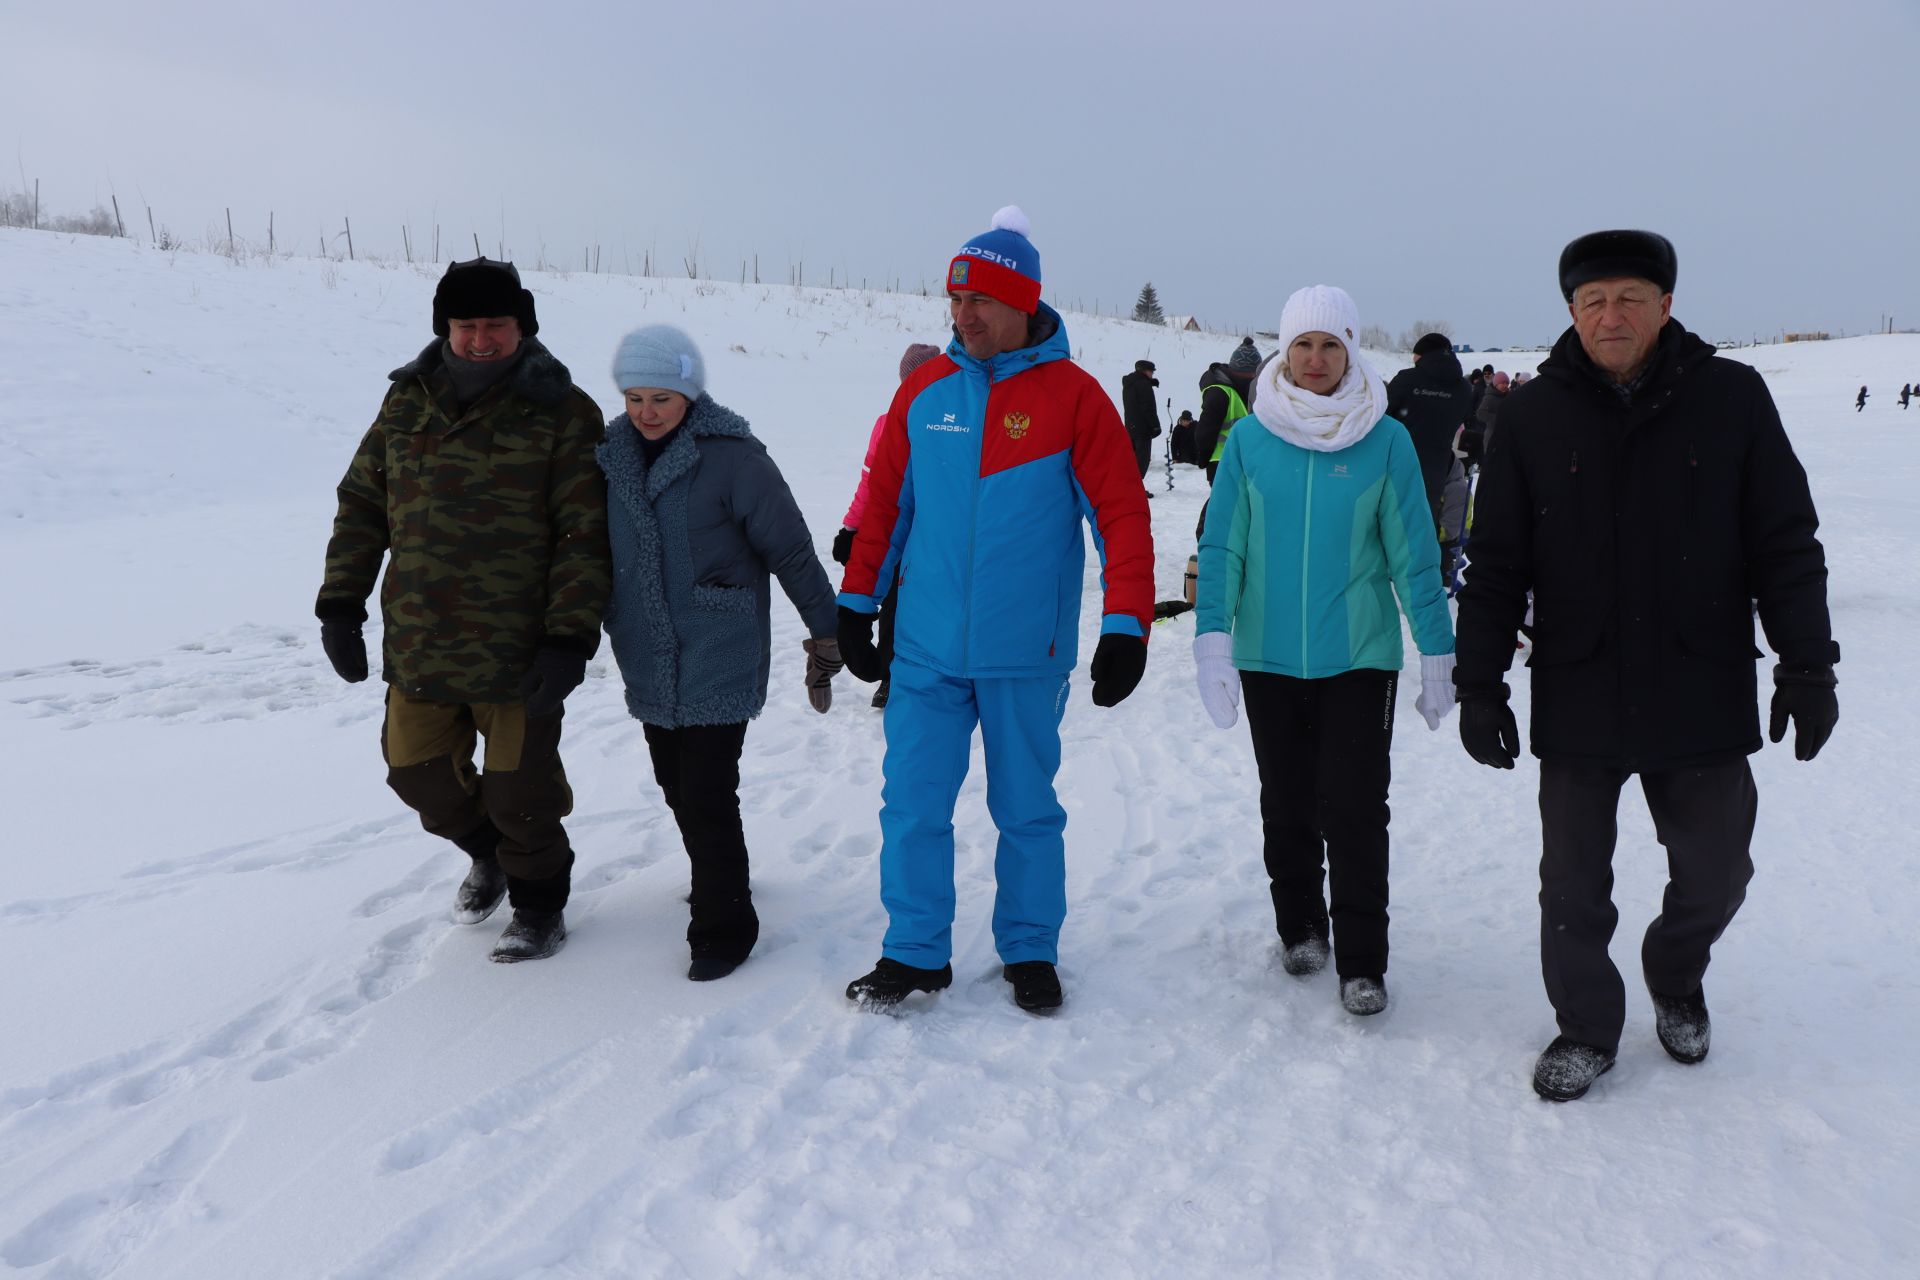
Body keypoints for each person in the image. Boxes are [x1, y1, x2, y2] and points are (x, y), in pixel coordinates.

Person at [1453, 230, 1839, 1102]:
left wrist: (1807, 664)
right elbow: (1498, 559)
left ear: (1666, 305)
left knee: (1717, 870)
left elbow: (1784, 543)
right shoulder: (1531, 416)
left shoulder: (1732, 398)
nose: (1611, 314)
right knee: (1573, 886)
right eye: (1593, 301)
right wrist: (1480, 685)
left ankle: (1674, 971)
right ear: (1571, 314)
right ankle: (1587, 1025)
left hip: (1696, 678)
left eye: (1629, 297)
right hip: (1580, 682)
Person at [836, 206, 1155, 1013]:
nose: (962, 315)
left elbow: (1121, 516)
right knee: (911, 804)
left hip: (1025, 649)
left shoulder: (1077, 400)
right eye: (954, 300)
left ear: (1021, 305)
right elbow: (884, 509)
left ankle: (1030, 948)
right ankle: (913, 951)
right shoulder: (926, 393)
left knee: (1026, 810)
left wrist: (1127, 624)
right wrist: (856, 601)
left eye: (978, 301)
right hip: (927, 648)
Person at [315, 257, 610, 963]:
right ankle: (492, 856)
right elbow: (362, 503)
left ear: (522, 326)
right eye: (466, 325)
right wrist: (339, 603)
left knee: (523, 792)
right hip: (421, 640)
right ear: (445, 326)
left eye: (495, 325)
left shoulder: (563, 409)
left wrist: (569, 636)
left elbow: (586, 532)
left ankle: (539, 905)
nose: (480, 339)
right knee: (415, 773)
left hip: (519, 646)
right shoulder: (406, 399)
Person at [1192, 285, 1456, 1018]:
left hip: (1360, 657)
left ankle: (1364, 960)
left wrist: (1438, 651)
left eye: (1330, 345)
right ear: (1284, 349)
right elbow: (1223, 549)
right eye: (1303, 345)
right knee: (1287, 800)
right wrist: (1212, 641)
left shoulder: (1386, 440)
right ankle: (1302, 926)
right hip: (1268, 657)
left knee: (1358, 807)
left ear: (1351, 350)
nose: (1315, 360)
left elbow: (1414, 556)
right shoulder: (1250, 439)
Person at [597, 325, 842, 981]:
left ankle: (724, 924)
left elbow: (790, 550)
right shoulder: (607, 459)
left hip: (719, 648)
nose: (647, 412)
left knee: (707, 792)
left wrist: (827, 634)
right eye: (635, 398)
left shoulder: (734, 458)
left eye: (663, 399)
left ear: (690, 395)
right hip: (646, 652)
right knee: (676, 785)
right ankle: (718, 873)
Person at [834, 342, 944, 709]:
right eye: (909, 380)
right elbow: (872, 483)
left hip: (939, 537)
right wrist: (851, 528)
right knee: (893, 606)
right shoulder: (888, 424)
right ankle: (891, 677)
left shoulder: (954, 420)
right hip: (898, 535)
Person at [1385, 331, 1475, 581]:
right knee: (1429, 516)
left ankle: (1396, 567)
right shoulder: (1463, 387)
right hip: (1439, 463)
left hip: (1399, 459)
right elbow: (1465, 418)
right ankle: (1428, 568)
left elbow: (1383, 417)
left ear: (1420, 355)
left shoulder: (1407, 379)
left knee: (1395, 516)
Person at [1194, 338, 1263, 483]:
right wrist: (1204, 456)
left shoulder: (1244, 390)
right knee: (1224, 504)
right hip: (1222, 462)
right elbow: (1206, 429)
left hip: (1245, 460)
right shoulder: (1220, 393)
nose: (1254, 378)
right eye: (1253, 374)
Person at [1121, 359, 1163, 482]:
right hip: (1143, 428)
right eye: (1151, 372)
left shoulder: (1129, 384)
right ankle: (1136, 486)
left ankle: (1129, 485)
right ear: (1144, 371)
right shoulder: (1143, 384)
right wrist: (1155, 426)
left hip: (1130, 426)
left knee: (1132, 458)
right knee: (1142, 459)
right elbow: (1148, 407)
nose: (1152, 374)